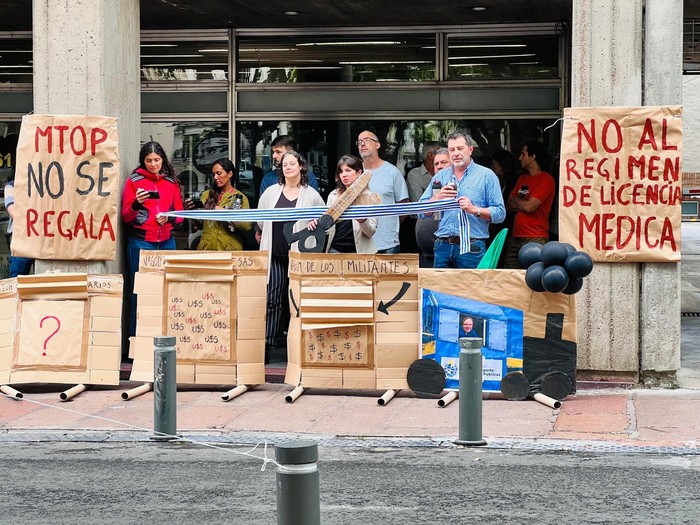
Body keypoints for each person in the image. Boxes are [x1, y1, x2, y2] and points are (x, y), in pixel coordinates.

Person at [258, 151, 325, 363]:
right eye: (285, 164)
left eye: (292, 164)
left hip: (298, 255)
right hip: (275, 254)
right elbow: (260, 220)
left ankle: (301, 347)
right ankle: (267, 344)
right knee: (273, 299)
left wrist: (315, 223)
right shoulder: (270, 192)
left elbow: (324, 221)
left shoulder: (311, 194)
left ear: (301, 167)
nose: (288, 167)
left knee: (299, 300)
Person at [122, 141, 184, 336]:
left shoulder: (171, 181)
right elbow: (125, 216)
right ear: (143, 161)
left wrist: (169, 217)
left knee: (167, 292)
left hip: (167, 241)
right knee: (138, 293)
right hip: (141, 241)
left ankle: (165, 341)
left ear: (163, 160)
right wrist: (136, 204)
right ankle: (135, 344)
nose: (153, 164)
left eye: (156, 160)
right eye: (148, 160)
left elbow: (180, 214)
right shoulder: (134, 180)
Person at [419, 131, 505, 269]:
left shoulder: (486, 176)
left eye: (460, 148)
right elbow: (421, 211)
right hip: (443, 245)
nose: (456, 153)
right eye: (452, 150)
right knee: (439, 290)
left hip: (472, 246)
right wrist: (436, 198)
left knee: (470, 290)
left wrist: (474, 209)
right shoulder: (440, 176)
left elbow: (500, 213)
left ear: (470, 150)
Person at [309, 154, 379, 254]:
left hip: (361, 253)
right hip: (335, 251)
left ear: (359, 172)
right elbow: (327, 227)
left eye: (348, 170)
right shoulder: (333, 195)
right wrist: (316, 224)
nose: (344, 174)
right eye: (341, 171)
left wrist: (363, 221)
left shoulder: (369, 198)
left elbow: (370, 232)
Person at [357, 130, 409, 254]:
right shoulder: (354, 173)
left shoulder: (392, 172)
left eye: (367, 140)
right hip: (360, 243)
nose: (362, 144)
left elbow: (404, 206)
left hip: (387, 243)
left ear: (377, 145)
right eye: (359, 142)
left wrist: (391, 223)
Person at [505, 141, 555, 268]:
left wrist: (517, 200)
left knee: (534, 274)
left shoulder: (546, 179)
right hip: (516, 236)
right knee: (509, 276)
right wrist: (521, 202)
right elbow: (508, 204)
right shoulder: (522, 178)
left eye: (523, 154)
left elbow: (529, 207)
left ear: (533, 157)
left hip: (535, 237)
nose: (520, 157)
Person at [185, 158, 251, 251]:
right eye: (213, 174)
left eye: (219, 173)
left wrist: (224, 212)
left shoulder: (239, 197)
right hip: (207, 249)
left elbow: (246, 226)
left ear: (230, 174)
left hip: (228, 250)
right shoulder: (206, 195)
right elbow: (201, 225)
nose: (215, 177)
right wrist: (192, 213)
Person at [415, 147, 450, 268]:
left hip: (448, 249)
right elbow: (420, 210)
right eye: (436, 164)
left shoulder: (458, 184)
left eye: (444, 162)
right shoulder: (435, 183)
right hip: (428, 253)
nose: (439, 166)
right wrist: (436, 198)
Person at [4, 176, 34, 277]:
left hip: (41, 237)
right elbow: (13, 211)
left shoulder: (39, 183)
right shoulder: (11, 186)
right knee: (17, 277)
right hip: (22, 238)